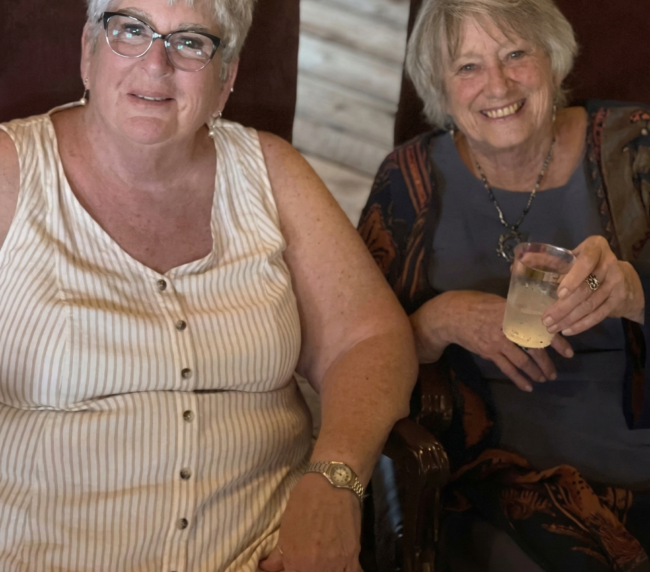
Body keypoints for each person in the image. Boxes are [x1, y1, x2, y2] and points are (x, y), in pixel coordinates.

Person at [0, 0, 419, 570]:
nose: (156, 65)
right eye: (130, 30)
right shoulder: (10, 174)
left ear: (227, 80)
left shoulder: (271, 171)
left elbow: (368, 339)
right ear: (87, 51)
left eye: (191, 42)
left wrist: (335, 481)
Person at [358, 0, 650, 570]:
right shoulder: (407, 183)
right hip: (499, 486)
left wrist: (635, 294)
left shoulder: (637, 150)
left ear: (555, 61)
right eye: (467, 67)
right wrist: (436, 321)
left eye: (516, 54)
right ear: (439, 88)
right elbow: (350, 352)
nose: (497, 84)